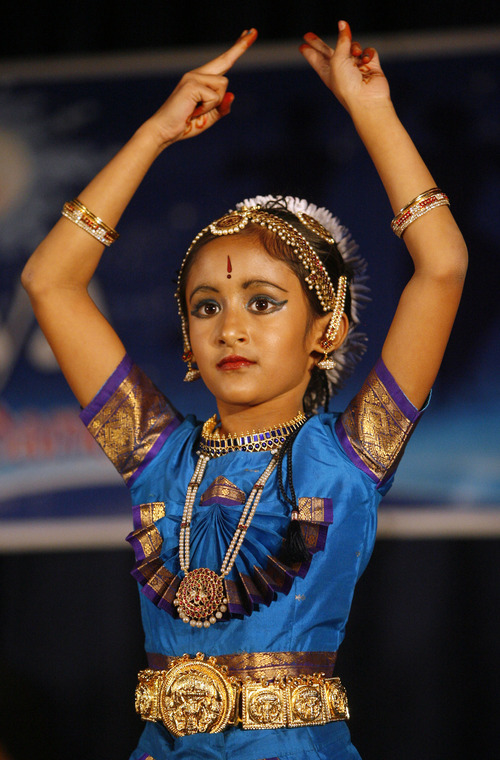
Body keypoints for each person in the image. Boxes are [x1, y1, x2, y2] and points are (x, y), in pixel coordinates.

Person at [21, 21, 467, 760]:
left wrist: (370, 112)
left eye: (263, 303)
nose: (232, 328)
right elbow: (51, 283)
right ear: (189, 340)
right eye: (207, 307)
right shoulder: (157, 454)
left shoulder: (350, 454)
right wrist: (152, 136)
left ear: (326, 330)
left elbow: (442, 267)